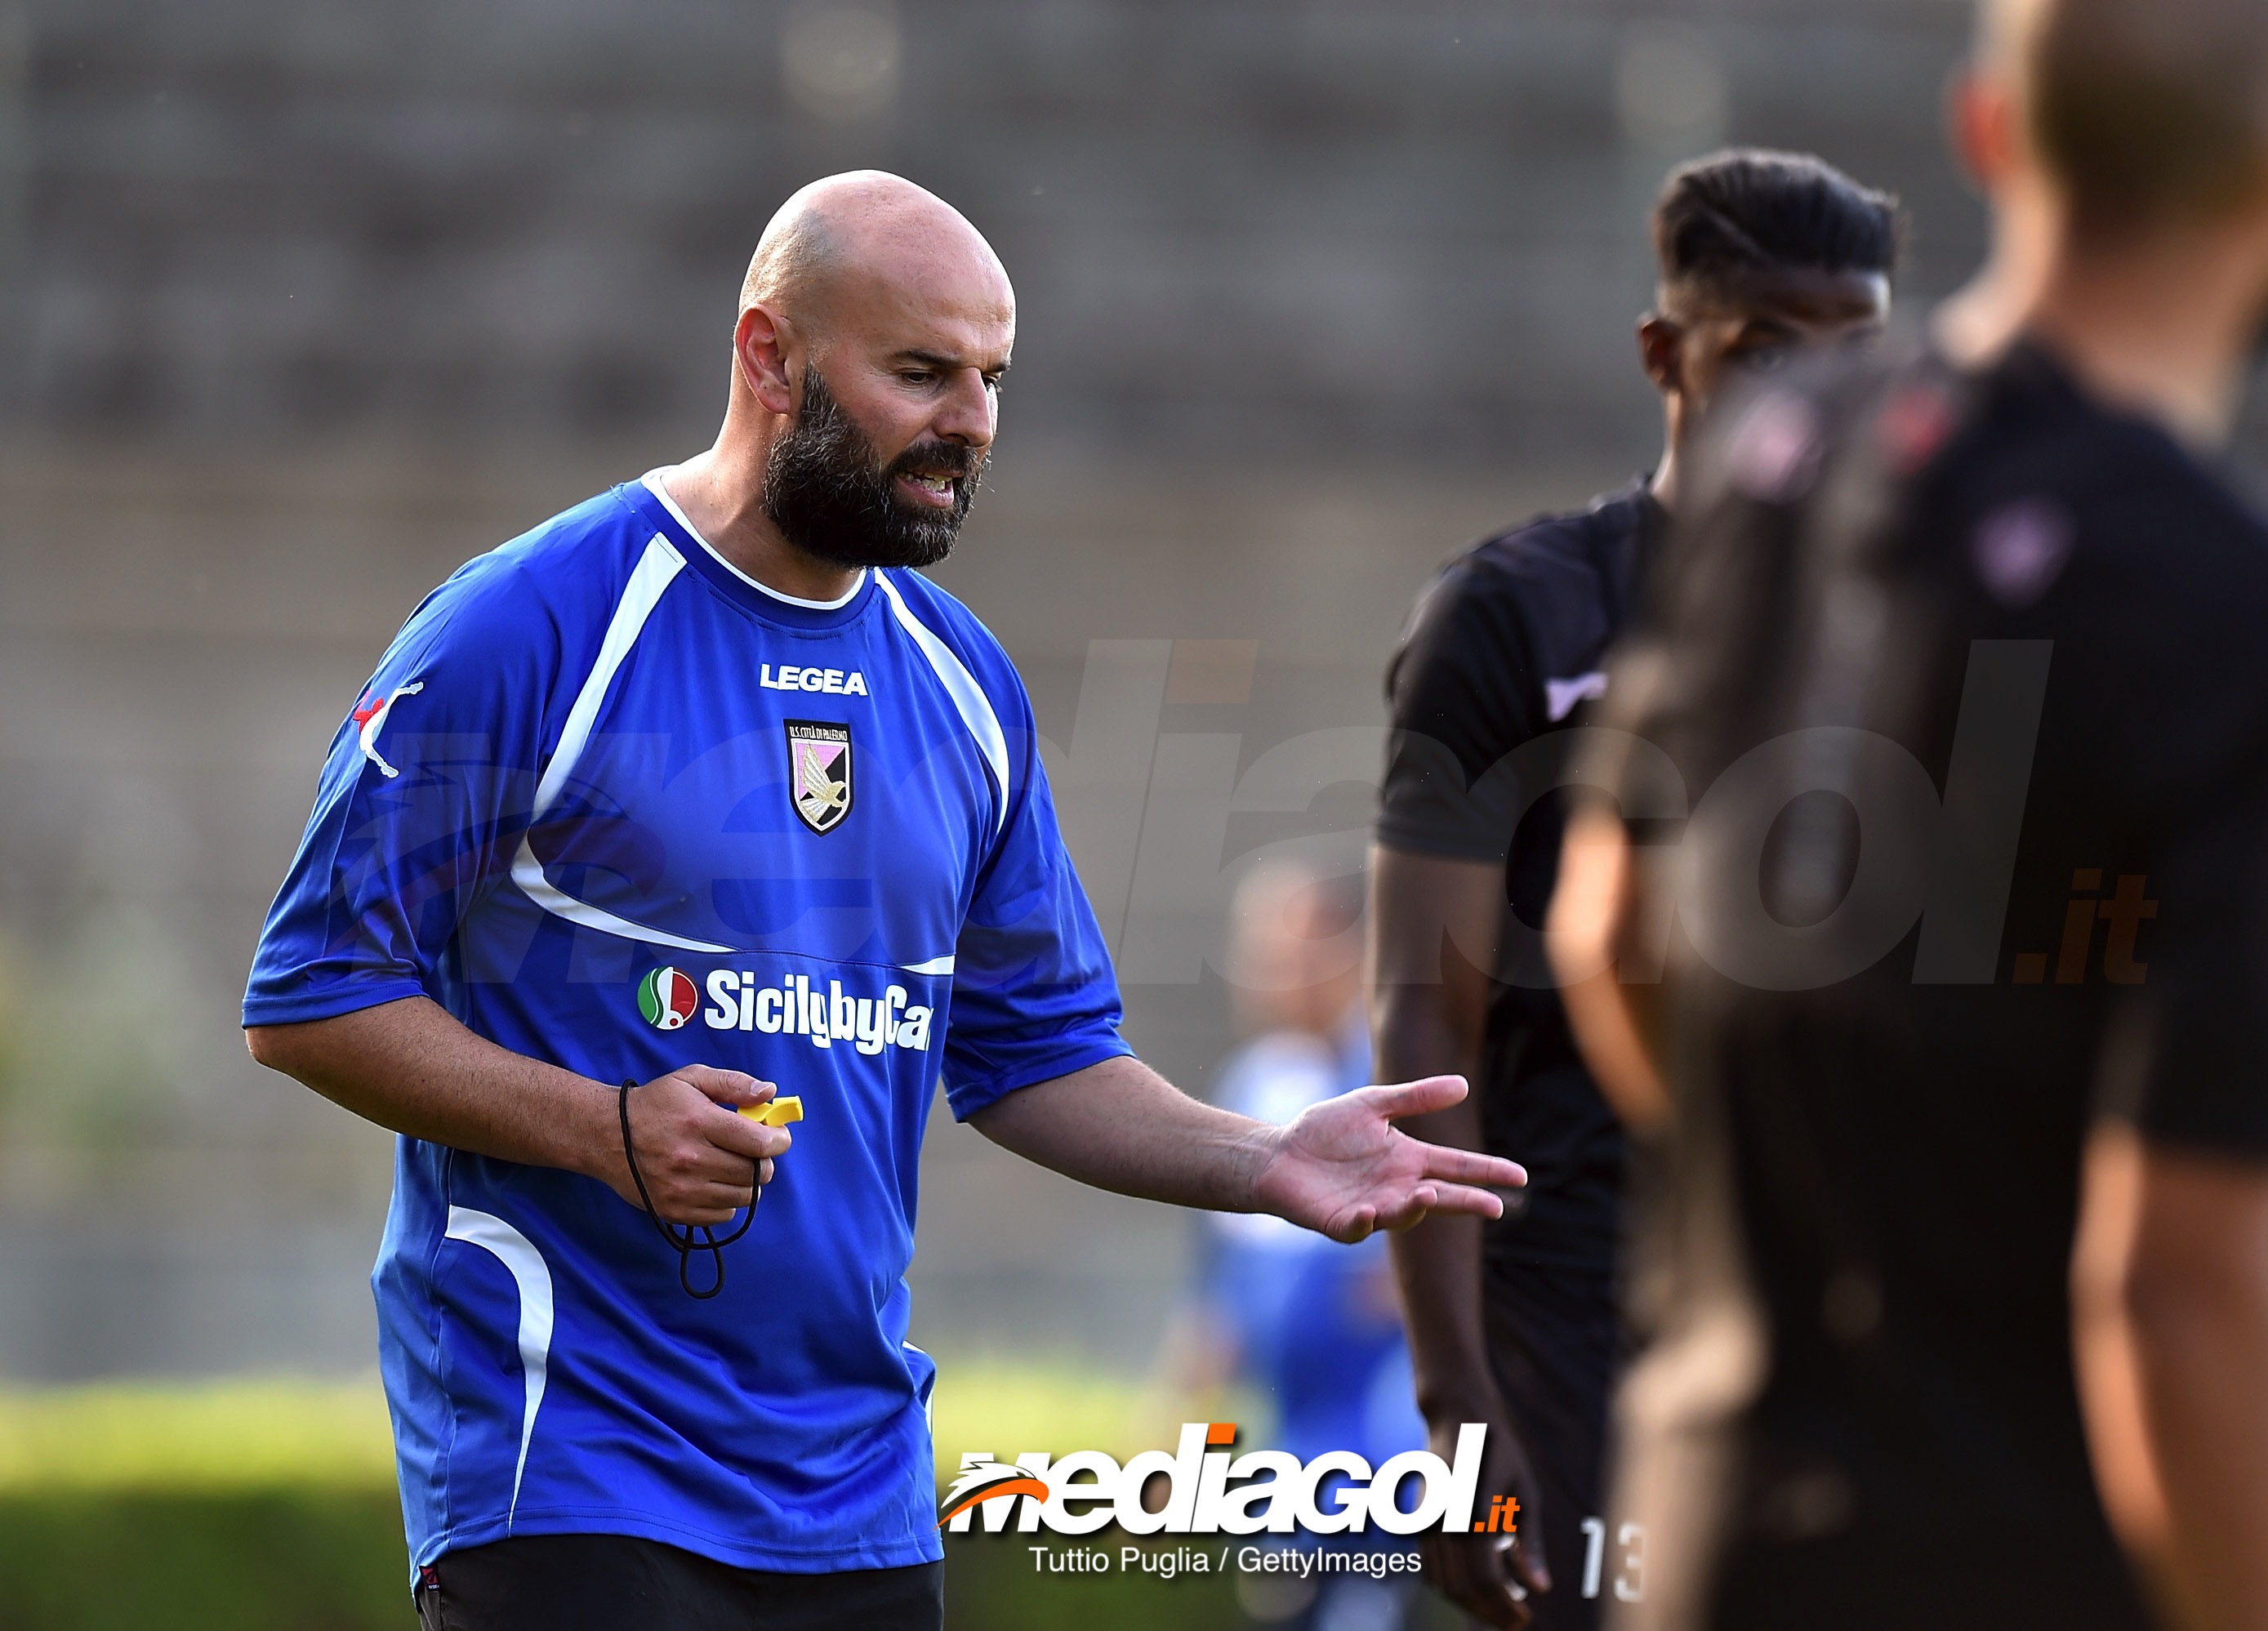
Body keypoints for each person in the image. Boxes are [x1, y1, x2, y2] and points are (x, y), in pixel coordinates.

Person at [239, 171, 1524, 1631]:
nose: (970, 421)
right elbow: (312, 998)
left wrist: (1266, 1155)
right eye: (920, 372)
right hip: (568, 1458)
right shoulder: (530, 623)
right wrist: (603, 1129)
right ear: (769, 356)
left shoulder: (964, 680)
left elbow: (1037, 1051)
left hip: (853, 1482)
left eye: (990, 378)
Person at [1550, 3, 2268, 1629]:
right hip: (2038, 1561)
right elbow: (2181, 1285)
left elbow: (1613, 927)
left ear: (1990, 133)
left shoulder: (1768, 455)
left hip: (1716, 1529)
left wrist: (1838, 1230)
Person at [1370, 149, 1897, 1631]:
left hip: (1836, 1316)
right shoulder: (1520, 610)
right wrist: (1460, 1399)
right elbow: (1426, 1004)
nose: (1809, 397)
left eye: (1852, 357)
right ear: (1668, 353)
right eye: (1765, 353)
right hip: (1568, 1305)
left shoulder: (1928, 613)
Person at [1152, 861, 1424, 1631]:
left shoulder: (1393, 1083)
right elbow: (1217, 1298)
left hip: (1376, 1453)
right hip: (1287, 1454)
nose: (1272, 972)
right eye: (1260, 950)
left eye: (1294, 950)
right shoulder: (1246, 1089)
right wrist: (1172, 1431)